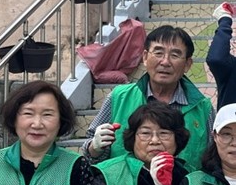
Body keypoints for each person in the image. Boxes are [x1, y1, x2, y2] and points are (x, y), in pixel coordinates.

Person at [84, 25, 213, 169]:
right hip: (124, 182)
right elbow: (90, 149)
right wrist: (95, 148)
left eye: (175, 55)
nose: (165, 62)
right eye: (158, 53)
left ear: (187, 64)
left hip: (184, 183)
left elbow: (213, 157)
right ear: (145, 57)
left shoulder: (203, 108)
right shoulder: (119, 97)